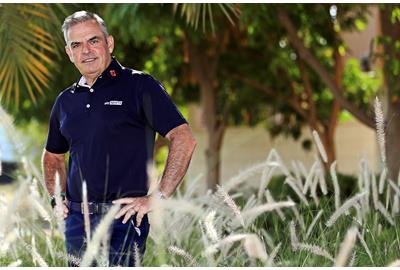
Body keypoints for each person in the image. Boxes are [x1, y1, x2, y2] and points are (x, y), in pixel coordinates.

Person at [41, 10, 197, 266]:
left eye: (93, 40)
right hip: (77, 224)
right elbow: (53, 155)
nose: (86, 50)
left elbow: (183, 137)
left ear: (109, 43)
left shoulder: (139, 85)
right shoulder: (65, 101)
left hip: (124, 221)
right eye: (76, 45)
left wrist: (158, 197)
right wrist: (56, 199)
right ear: (69, 53)